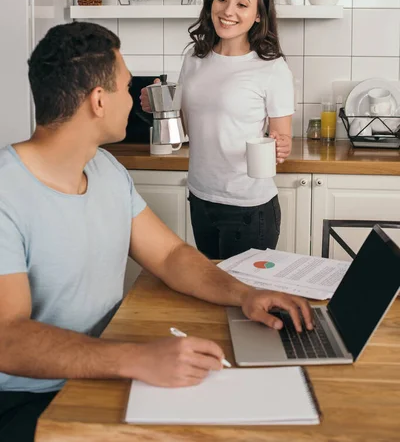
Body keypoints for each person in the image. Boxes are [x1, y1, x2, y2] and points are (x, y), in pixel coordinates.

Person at [0, 22, 312, 442]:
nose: (132, 101)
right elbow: (9, 338)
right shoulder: (6, 193)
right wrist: (136, 358)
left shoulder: (105, 170)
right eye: (126, 89)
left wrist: (245, 294)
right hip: (29, 397)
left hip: (107, 368)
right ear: (98, 101)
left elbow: (169, 256)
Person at [141, 0, 294, 260]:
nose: (228, 11)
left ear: (258, 14)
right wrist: (158, 105)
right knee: (213, 299)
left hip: (249, 207)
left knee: (243, 299)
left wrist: (282, 145)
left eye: (242, 4)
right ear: (211, 1)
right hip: (201, 198)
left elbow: (281, 138)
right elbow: (184, 127)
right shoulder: (194, 58)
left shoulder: (272, 68)